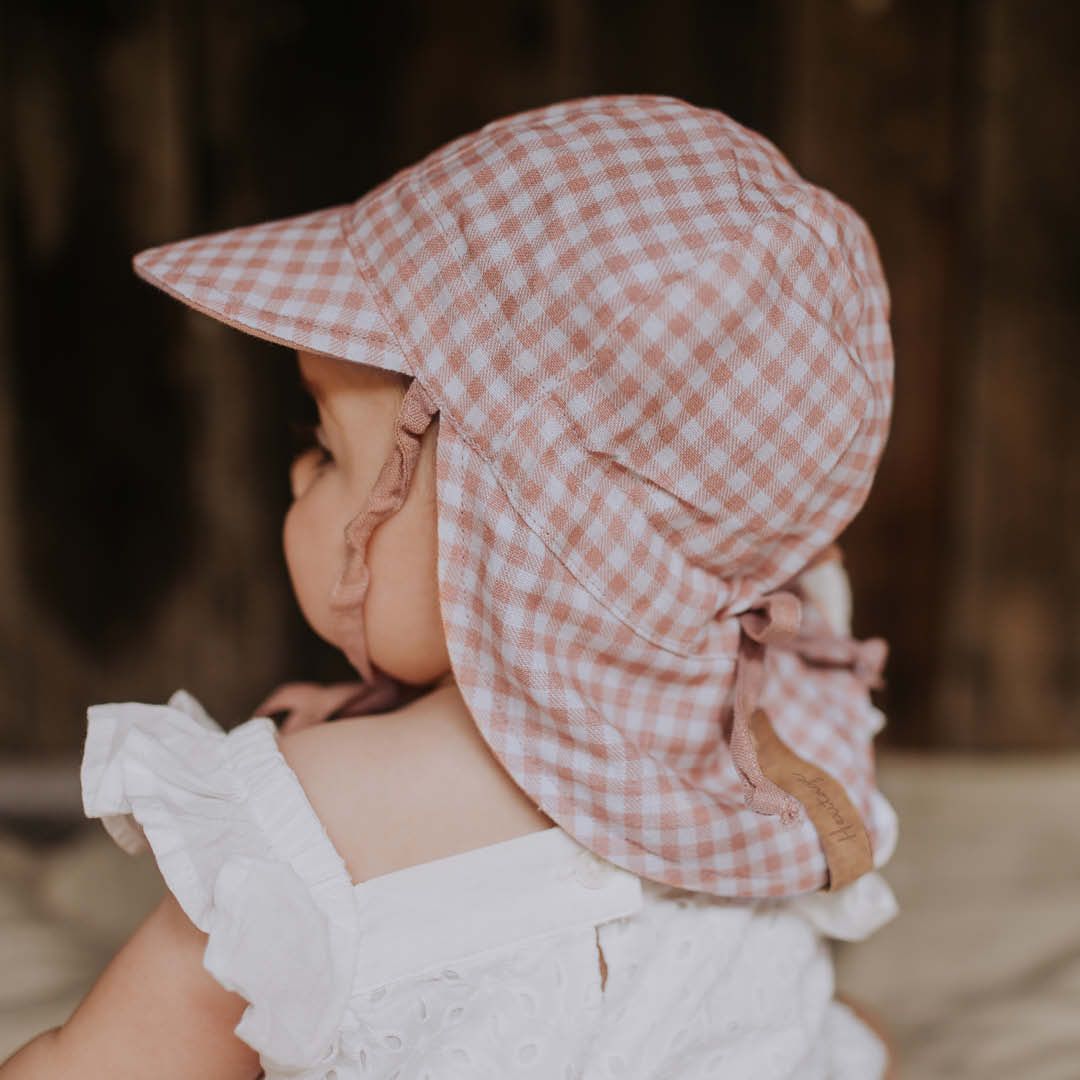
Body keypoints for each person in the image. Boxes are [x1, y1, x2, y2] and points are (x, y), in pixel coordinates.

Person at [1, 94, 901, 1078]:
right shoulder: (786, 715)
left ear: (498, 534)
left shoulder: (312, 818)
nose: (297, 477)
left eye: (326, 449)